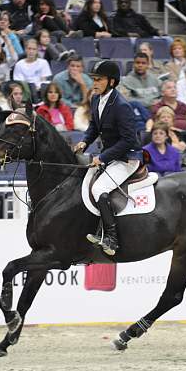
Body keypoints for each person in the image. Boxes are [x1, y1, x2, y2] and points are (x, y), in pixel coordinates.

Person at [72, 61, 143, 256]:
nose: (94, 83)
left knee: (99, 188)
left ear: (111, 81)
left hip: (127, 158)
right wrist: (84, 142)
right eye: (93, 79)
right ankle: (96, 229)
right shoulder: (96, 99)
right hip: (111, 156)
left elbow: (129, 140)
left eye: (99, 79)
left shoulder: (121, 106)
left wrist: (102, 157)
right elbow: (94, 127)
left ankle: (112, 238)